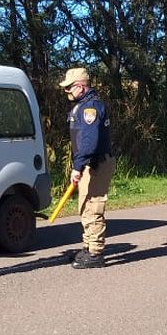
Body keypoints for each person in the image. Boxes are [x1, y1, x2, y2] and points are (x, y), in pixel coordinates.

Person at [60, 67, 113, 269]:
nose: (67, 92)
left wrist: (78, 166)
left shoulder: (90, 108)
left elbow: (89, 142)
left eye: (69, 88)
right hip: (88, 164)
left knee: (93, 206)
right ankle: (88, 245)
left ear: (80, 87)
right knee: (84, 204)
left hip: (96, 163)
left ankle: (96, 252)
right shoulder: (82, 106)